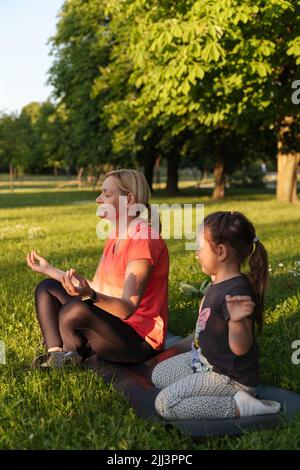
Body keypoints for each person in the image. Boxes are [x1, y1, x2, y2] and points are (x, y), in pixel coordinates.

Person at [26, 169, 169, 368]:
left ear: (128, 200)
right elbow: (96, 287)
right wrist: (49, 269)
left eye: (106, 194)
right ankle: (56, 354)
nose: (98, 199)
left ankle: (73, 354)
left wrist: (91, 296)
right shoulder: (115, 235)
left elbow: (127, 309)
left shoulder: (143, 239)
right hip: (112, 321)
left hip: (138, 340)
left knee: (75, 308)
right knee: (47, 287)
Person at [152, 211, 281, 420]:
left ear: (220, 252)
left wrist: (238, 321)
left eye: (200, 247)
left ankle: (241, 404)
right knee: (159, 375)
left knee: (166, 404)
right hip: (203, 361)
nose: (196, 253)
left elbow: (241, 348)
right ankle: (202, 387)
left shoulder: (236, 293)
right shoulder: (219, 278)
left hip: (228, 377)